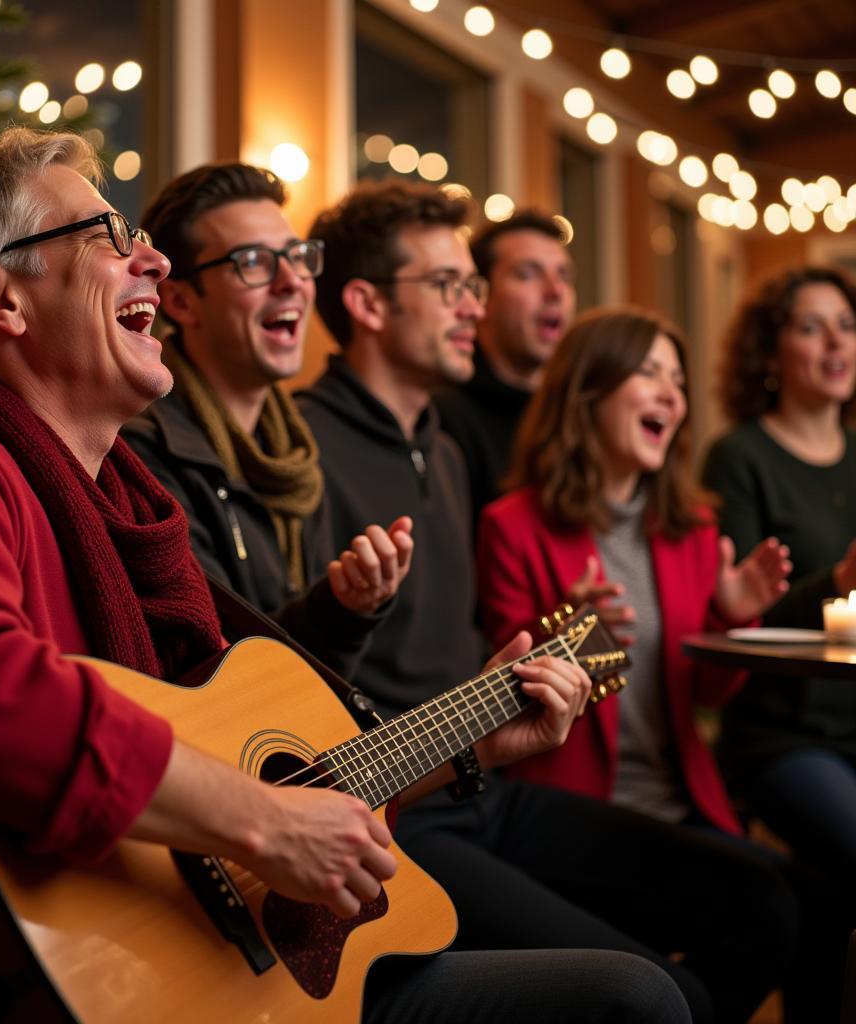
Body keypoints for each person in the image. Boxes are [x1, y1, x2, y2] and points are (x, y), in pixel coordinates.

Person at [0, 128, 689, 1024]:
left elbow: (252, 787)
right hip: (77, 989)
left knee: (635, 993)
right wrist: (262, 821)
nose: (154, 261)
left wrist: (468, 746)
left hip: (218, 962)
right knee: (633, 1001)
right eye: (106, 237)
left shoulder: (130, 512)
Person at [299, 180, 799, 1024]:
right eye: (453, 287)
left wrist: (590, 643)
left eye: (473, 285)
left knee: (770, 908)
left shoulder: (446, 453)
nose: (475, 307)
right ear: (367, 304)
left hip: (485, 783)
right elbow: (282, 667)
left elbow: (495, 658)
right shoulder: (307, 447)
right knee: (667, 996)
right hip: (397, 809)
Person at [477, 307, 792, 835]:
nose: (673, 396)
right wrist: (564, 629)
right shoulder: (510, 525)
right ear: (587, 392)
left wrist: (729, 620)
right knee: (770, 908)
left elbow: (707, 695)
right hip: (573, 813)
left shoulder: (693, 526)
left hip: (681, 801)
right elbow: (500, 699)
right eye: (649, 373)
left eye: (678, 380)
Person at [122, 162, 412, 682]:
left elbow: (321, 686)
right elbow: (218, 679)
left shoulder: (294, 455)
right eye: (254, 261)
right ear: (182, 302)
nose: (292, 282)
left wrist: (348, 609)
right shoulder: (147, 457)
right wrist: (338, 609)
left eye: (298, 258)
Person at [702, 266, 856, 1003]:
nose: (836, 340)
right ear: (770, 354)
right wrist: (834, 585)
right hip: (783, 738)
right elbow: (737, 618)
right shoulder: (740, 458)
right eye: (810, 325)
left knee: (827, 901)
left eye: (847, 324)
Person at [434, 209, 575, 523]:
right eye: (528, 274)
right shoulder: (444, 416)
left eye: (564, 275)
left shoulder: (574, 412)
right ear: (480, 296)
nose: (556, 291)